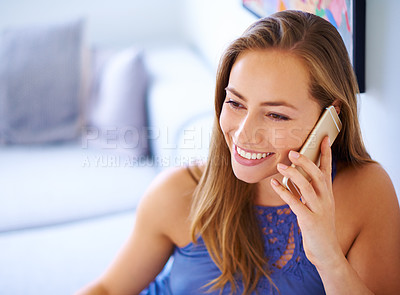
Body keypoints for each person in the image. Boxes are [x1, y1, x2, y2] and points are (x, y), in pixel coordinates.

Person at [76, 10, 400, 295]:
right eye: (235, 103)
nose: (243, 134)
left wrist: (328, 257)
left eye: (276, 115)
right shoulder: (177, 192)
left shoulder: (365, 192)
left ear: (330, 117)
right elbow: (107, 289)